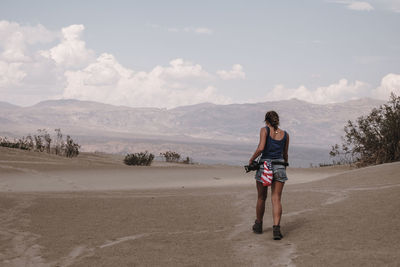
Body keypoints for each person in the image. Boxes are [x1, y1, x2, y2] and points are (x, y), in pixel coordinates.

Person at [248, 110, 289, 240]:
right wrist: (284, 166)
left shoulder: (264, 130)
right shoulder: (285, 134)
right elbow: (285, 154)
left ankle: (258, 225)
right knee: (276, 198)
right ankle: (276, 229)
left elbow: (261, 148)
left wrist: (251, 160)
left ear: (266, 120)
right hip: (280, 166)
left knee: (261, 197)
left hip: (265, 166)